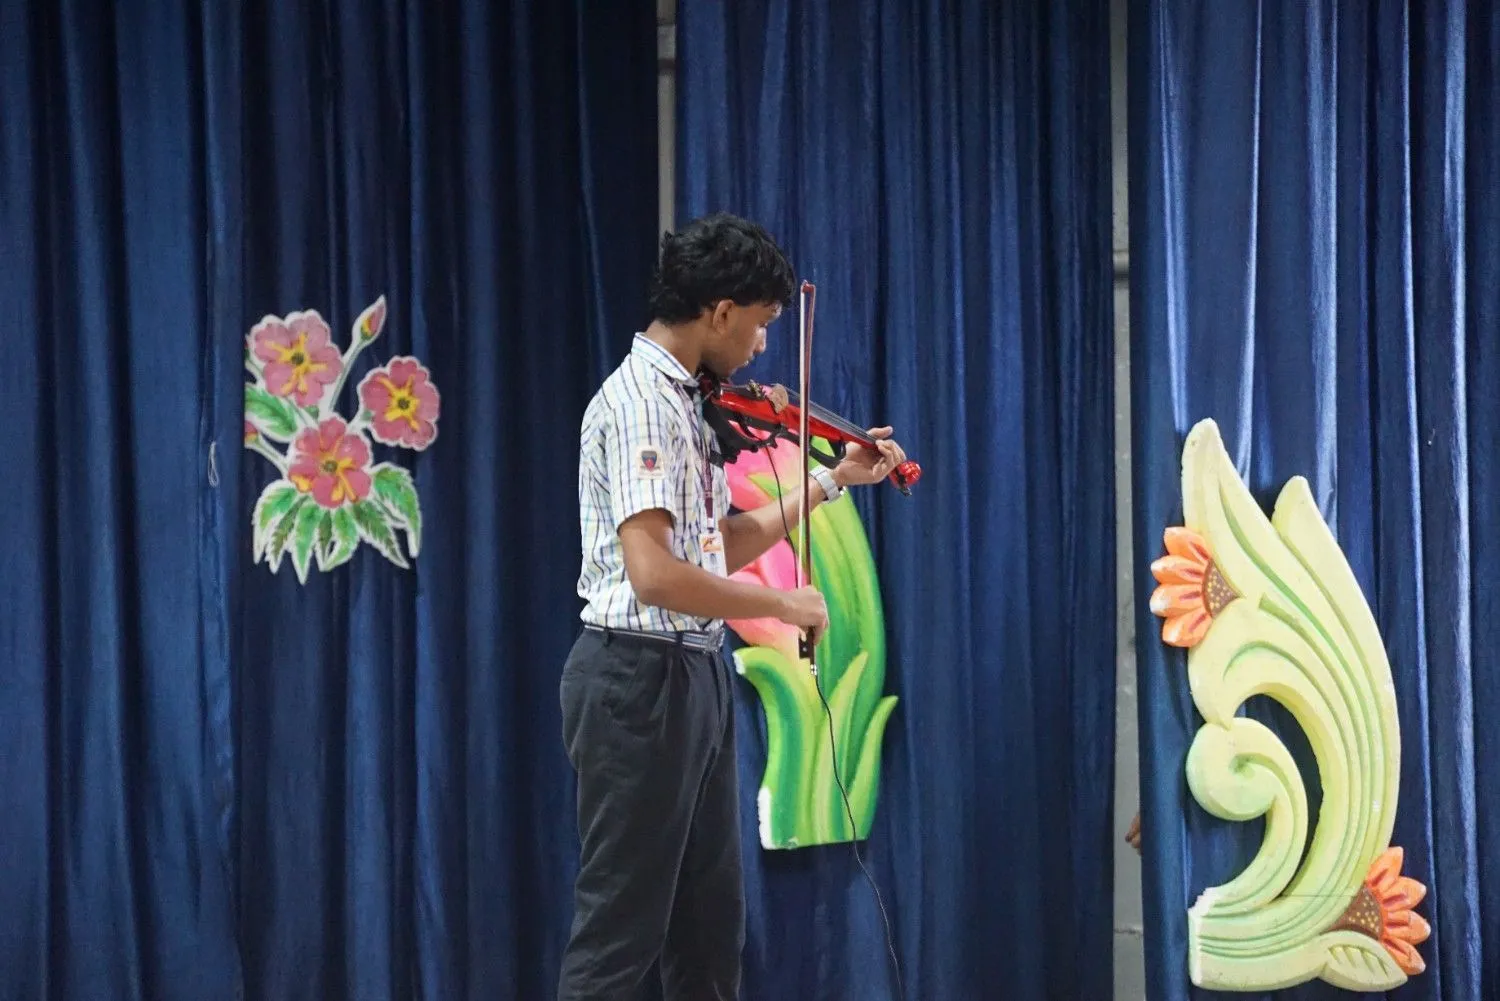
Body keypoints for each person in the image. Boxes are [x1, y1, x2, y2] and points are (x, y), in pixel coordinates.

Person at [557, 211, 908, 1000]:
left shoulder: (687, 403)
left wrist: (829, 480)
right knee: (619, 936)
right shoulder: (644, 401)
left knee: (709, 934)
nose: (762, 345)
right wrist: (781, 601)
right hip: (637, 677)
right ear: (720, 311)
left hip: (689, 672)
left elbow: (716, 544)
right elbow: (655, 573)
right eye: (760, 322)